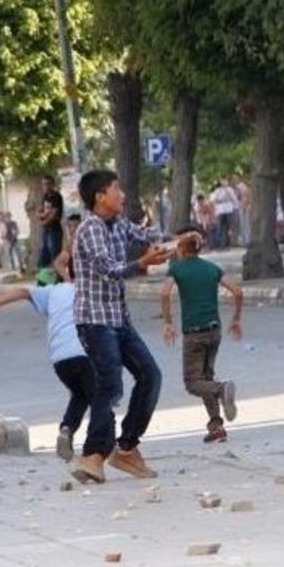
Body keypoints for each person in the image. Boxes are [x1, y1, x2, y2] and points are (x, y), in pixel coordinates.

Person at [69, 169, 196, 484]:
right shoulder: (90, 229)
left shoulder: (118, 224)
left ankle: (125, 449)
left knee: (150, 376)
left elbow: (151, 239)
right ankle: (93, 456)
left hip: (118, 319)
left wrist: (182, 240)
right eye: (117, 188)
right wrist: (141, 264)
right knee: (110, 386)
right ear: (101, 196)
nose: (123, 194)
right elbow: (108, 268)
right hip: (95, 321)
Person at [0, 251, 92, 462]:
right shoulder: (93, 291)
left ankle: (66, 429)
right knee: (101, 399)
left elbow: (22, 291)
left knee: (81, 395)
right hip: (85, 354)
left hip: (60, 360)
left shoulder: (54, 291)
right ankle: (98, 451)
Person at [160, 228, 243, 443]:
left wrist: (168, 322)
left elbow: (164, 292)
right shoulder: (211, 268)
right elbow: (237, 291)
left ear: (182, 249)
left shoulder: (176, 269)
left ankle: (222, 388)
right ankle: (216, 427)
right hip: (214, 330)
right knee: (205, 377)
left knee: (192, 382)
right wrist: (236, 319)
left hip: (194, 333)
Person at [38, 175, 65, 270]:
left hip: (55, 229)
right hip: (46, 230)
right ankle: (45, 277)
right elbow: (39, 212)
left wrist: (44, 221)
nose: (46, 186)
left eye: (48, 184)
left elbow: (53, 214)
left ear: (53, 184)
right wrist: (43, 216)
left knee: (55, 254)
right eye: (44, 184)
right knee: (44, 255)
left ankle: (59, 279)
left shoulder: (56, 196)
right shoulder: (45, 197)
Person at [209, 181, 239, 248]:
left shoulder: (228, 190)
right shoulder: (218, 191)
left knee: (226, 227)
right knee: (221, 227)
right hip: (222, 210)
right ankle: (221, 243)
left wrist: (236, 206)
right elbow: (213, 200)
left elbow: (233, 198)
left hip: (227, 209)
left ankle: (225, 243)